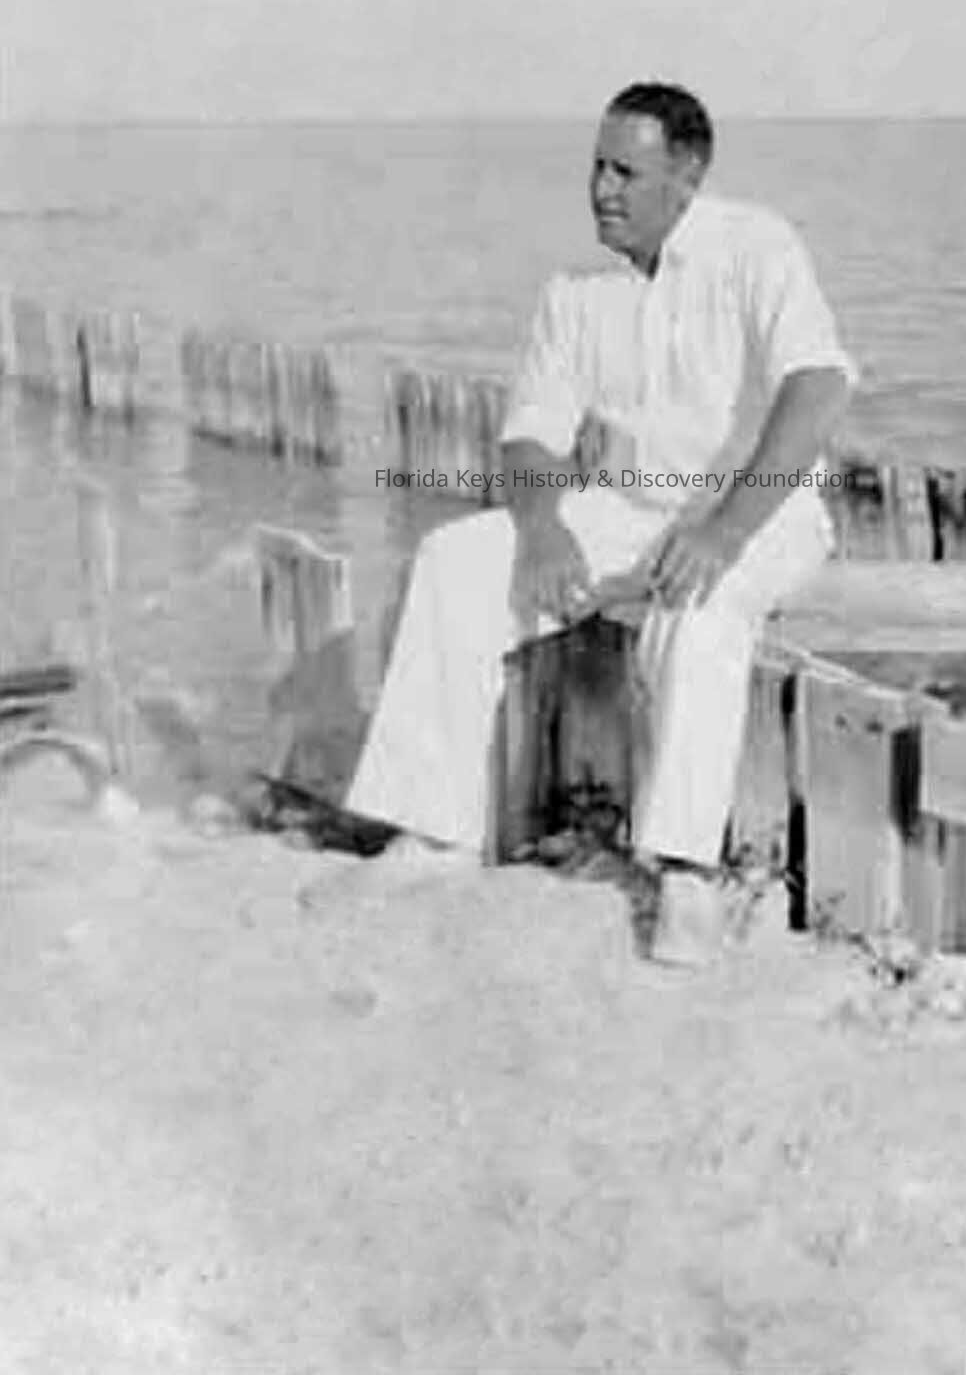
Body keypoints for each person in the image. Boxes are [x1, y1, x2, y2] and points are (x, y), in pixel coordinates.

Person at [347, 81, 857, 962]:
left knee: (697, 605)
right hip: (625, 504)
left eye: (625, 172)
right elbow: (531, 434)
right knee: (455, 560)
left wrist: (724, 531)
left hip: (761, 505)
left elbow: (817, 389)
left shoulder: (755, 245)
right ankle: (434, 835)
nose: (600, 190)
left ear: (687, 174)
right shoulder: (575, 289)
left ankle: (684, 876)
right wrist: (543, 530)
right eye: (596, 168)